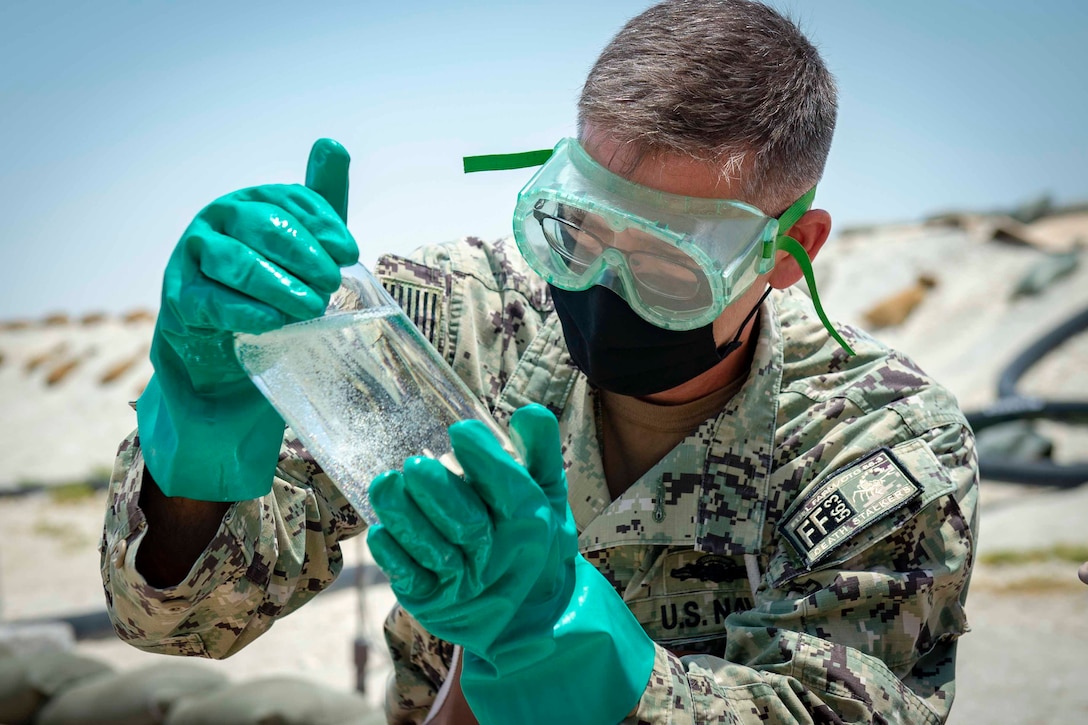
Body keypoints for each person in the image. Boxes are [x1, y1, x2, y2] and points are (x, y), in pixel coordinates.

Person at [100, 1, 978, 723]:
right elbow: (179, 625)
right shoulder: (454, 322)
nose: (600, 284)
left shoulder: (882, 444)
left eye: (669, 266)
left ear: (790, 253)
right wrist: (205, 429)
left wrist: (565, 644)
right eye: (578, 230)